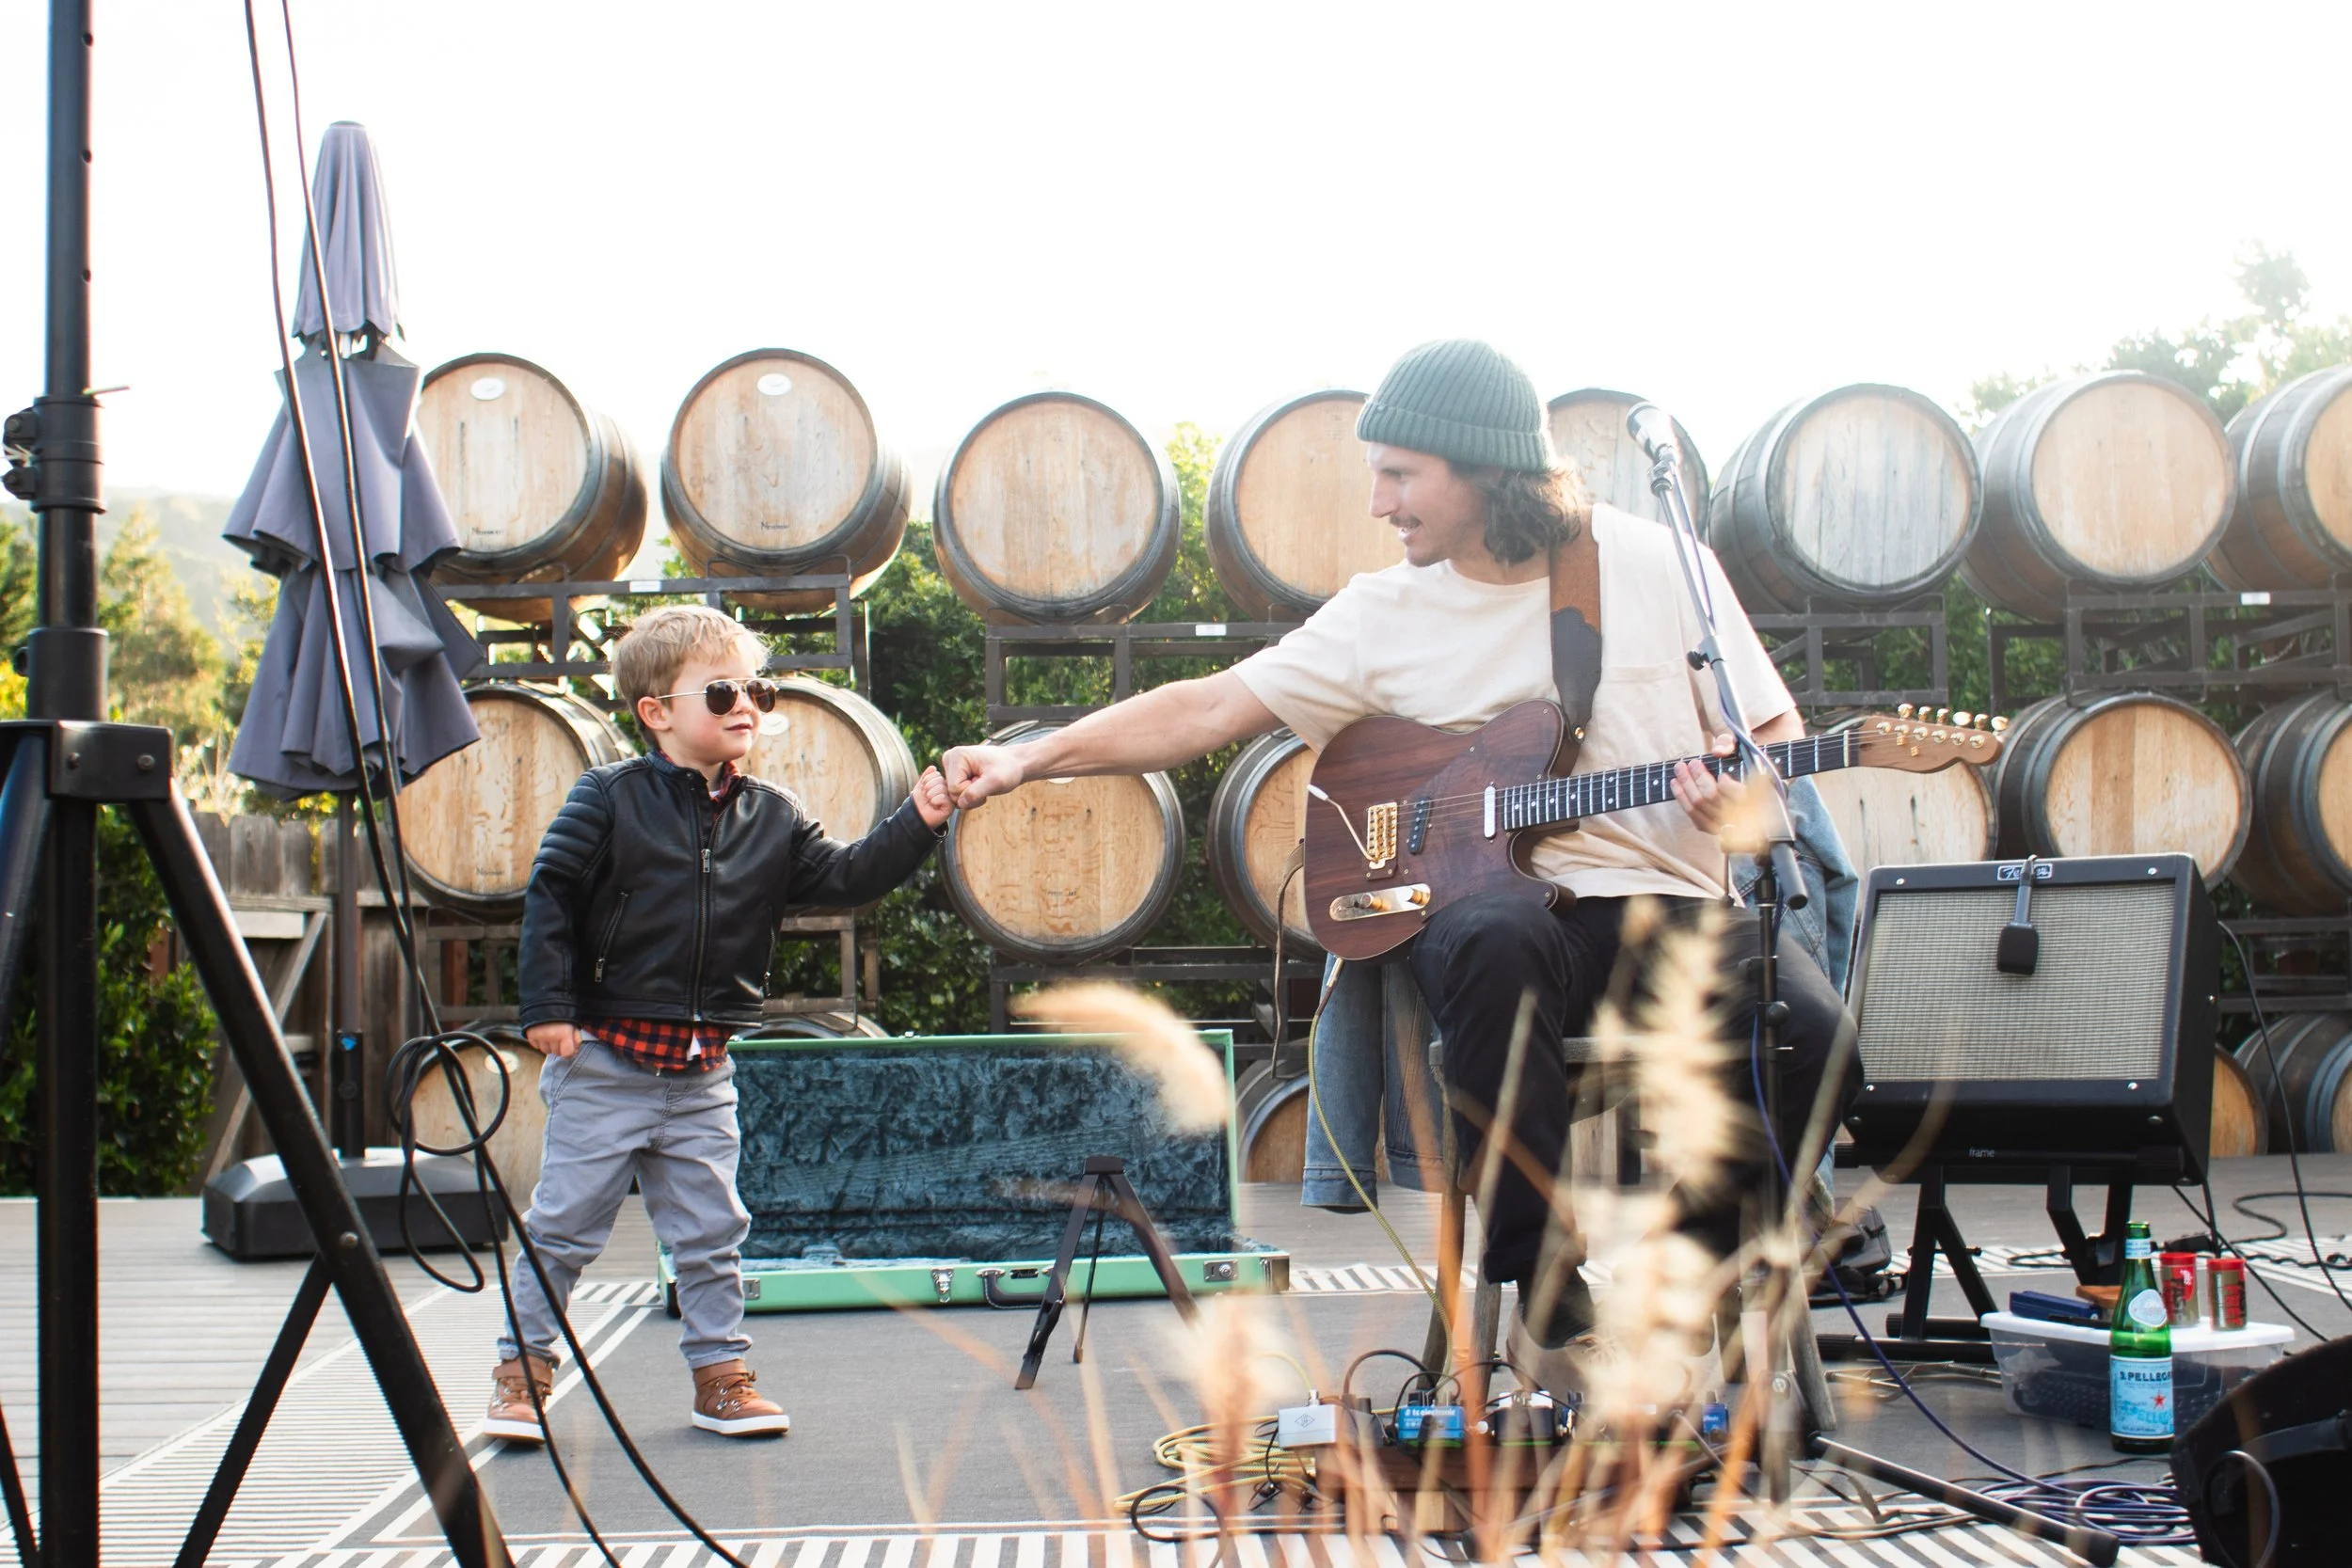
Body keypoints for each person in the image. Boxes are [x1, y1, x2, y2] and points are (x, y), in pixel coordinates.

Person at [944, 340, 1859, 1385]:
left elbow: (1770, 737)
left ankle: (1691, 1279)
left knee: (1819, 1037)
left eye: (1399, 473)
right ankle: (1548, 1296)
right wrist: (1026, 757)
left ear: (1484, 468)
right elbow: (1207, 706)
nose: (1378, 501)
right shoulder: (1386, 609)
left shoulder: (1659, 563)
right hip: (1505, 926)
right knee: (1493, 932)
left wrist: (1744, 797)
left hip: (1666, 907)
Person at [493, 605, 955, 1441]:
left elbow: (849, 875)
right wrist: (549, 1008)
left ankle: (721, 1378)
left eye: (758, 688)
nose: (747, 702)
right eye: (722, 689)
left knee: (711, 1232)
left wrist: (919, 818)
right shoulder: (607, 799)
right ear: (657, 712)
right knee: (564, 1225)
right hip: (608, 1060)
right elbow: (552, 895)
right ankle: (522, 1374)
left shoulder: (770, 815)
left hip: (703, 1068)